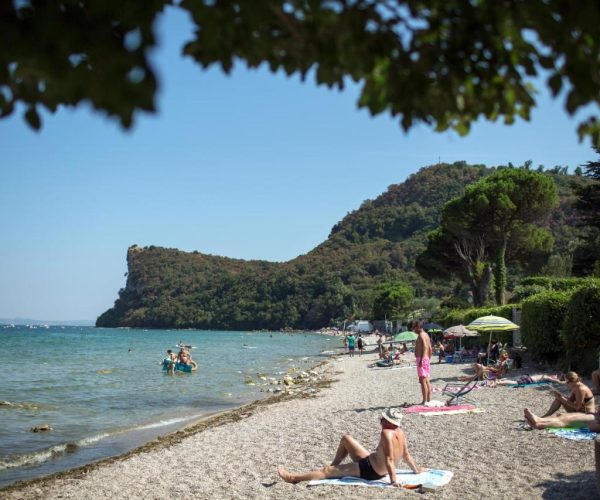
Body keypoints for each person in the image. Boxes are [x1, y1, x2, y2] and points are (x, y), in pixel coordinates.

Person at [277, 408, 424, 486]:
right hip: (370, 462)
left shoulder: (386, 433)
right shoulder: (400, 432)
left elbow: (389, 459)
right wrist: (416, 470)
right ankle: (335, 465)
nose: (381, 421)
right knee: (346, 438)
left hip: (371, 470)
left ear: (390, 423)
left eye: (383, 419)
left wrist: (393, 480)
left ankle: (293, 478)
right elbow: (406, 455)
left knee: (327, 471)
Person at [523, 407, 600, 431]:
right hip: (596, 416)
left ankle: (539, 425)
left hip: (596, 422)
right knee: (562, 416)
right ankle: (539, 419)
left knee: (568, 422)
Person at [413, 320, 432, 404]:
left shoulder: (421, 335)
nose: (413, 329)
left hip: (422, 358)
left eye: (414, 327)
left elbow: (424, 346)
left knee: (422, 380)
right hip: (426, 358)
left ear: (418, 327)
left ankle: (424, 401)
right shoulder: (426, 335)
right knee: (427, 380)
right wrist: (428, 358)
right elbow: (430, 348)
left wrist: (421, 360)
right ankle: (428, 399)